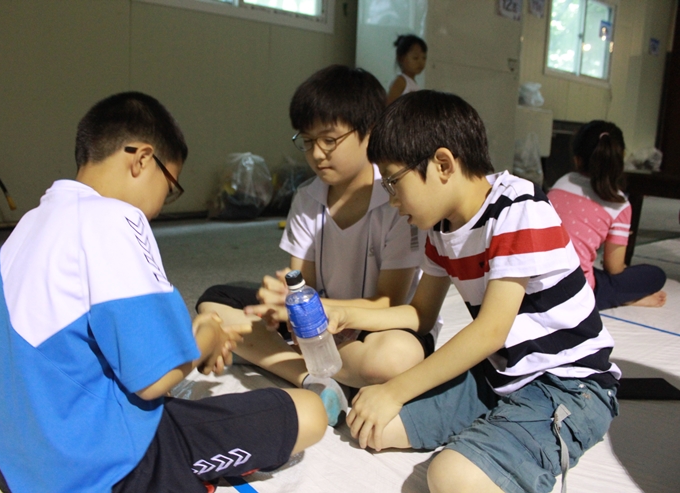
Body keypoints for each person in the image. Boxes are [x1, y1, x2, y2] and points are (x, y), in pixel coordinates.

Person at [254, 90, 622, 493]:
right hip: (497, 374)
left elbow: (490, 331)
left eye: (394, 183)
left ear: (443, 164)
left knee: (450, 477)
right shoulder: (440, 230)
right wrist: (342, 313)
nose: (391, 200)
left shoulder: (519, 207)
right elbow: (420, 314)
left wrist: (395, 390)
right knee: (372, 426)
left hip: (566, 383)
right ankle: (497, 427)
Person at [0, 92, 326, 493]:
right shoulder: (114, 219)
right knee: (308, 413)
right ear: (142, 159)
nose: (159, 207)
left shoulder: (28, 226)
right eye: (169, 186)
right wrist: (204, 338)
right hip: (96, 469)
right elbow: (154, 380)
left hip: (13, 458)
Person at [197, 65, 435, 426]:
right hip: (317, 325)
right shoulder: (308, 198)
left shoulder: (395, 200)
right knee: (214, 301)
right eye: (307, 142)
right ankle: (311, 378)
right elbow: (301, 284)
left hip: (373, 326)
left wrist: (318, 311)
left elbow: (389, 301)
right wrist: (284, 302)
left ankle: (293, 360)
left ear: (370, 131)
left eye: (329, 140)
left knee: (395, 357)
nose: (317, 154)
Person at [548, 120, 666, 310]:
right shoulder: (618, 204)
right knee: (655, 275)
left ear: (577, 159)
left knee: (581, 267)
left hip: (536, 282)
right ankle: (626, 298)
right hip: (576, 293)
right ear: (619, 159)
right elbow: (614, 268)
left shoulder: (561, 183)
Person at [386, 34, 427, 105]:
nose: (421, 62)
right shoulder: (400, 82)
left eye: (424, 58)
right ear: (401, 59)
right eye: (415, 58)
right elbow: (389, 106)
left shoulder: (413, 83)